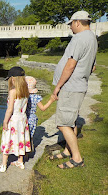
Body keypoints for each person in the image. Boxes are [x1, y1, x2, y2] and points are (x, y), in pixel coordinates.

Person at [51, 10, 97, 169]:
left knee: (63, 124)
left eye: (71, 24)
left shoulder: (79, 38)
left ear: (78, 22)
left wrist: (58, 86)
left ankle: (77, 159)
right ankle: (67, 151)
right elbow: (93, 66)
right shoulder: (92, 38)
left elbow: (70, 65)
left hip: (71, 87)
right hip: (78, 85)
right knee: (71, 121)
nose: (70, 27)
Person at [0, 66, 31, 172]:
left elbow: (10, 109)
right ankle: (20, 162)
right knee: (21, 139)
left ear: (13, 79)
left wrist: (5, 122)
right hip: (23, 119)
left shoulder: (13, 91)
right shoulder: (26, 90)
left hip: (14, 119)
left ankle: (3, 165)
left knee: (7, 139)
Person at [26, 76, 56, 142]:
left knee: (23, 135)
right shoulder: (36, 97)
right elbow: (43, 108)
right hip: (32, 118)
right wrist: (51, 100)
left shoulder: (23, 97)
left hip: (24, 117)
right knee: (30, 135)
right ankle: (30, 148)